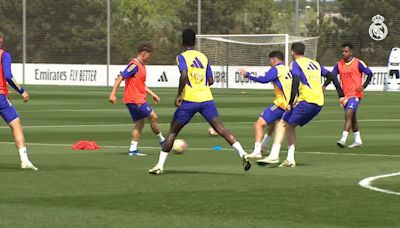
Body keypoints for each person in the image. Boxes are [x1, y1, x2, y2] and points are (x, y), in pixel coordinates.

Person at [148, 29, 251, 175]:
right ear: (195, 42)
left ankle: (159, 166)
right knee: (221, 129)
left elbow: (184, 75)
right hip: (206, 99)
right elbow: (211, 80)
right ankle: (242, 153)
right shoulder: (203, 57)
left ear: (182, 42)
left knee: (172, 132)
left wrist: (179, 95)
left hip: (189, 100)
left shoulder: (181, 57)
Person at [257, 42, 345, 167]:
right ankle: (290, 159)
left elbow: (296, 81)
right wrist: (341, 95)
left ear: (292, 52)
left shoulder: (296, 64)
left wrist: (291, 102)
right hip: (318, 103)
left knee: (282, 123)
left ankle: (274, 156)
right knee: (290, 125)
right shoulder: (315, 63)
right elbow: (332, 76)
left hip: (306, 101)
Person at [109, 43, 165, 156]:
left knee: (140, 123)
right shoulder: (134, 65)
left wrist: (152, 94)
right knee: (153, 116)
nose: (150, 58)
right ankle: (162, 141)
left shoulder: (142, 66)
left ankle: (133, 149)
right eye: (150, 55)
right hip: (135, 100)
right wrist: (113, 94)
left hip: (134, 99)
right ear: (144, 53)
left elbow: (141, 84)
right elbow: (121, 77)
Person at [239, 51, 292, 159]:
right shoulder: (287, 69)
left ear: (274, 59)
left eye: (270, 60)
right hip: (290, 104)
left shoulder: (276, 69)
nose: (270, 62)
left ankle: (257, 151)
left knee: (258, 124)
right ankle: (264, 145)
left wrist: (248, 75)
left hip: (281, 103)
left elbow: (264, 79)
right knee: (272, 123)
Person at [0, 32, 38, 170]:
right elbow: (8, 75)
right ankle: (25, 160)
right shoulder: (4, 55)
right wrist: (22, 91)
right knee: (16, 126)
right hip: (0, 98)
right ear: (1, 40)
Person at [324, 43, 373, 148]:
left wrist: (363, 86)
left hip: (355, 94)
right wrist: (324, 86)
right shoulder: (339, 64)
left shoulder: (358, 63)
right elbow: (332, 76)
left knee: (348, 114)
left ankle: (343, 139)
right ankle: (358, 140)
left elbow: (370, 74)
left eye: (346, 51)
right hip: (345, 96)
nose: (344, 53)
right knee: (352, 117)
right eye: (343, 51)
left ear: (351, 52)